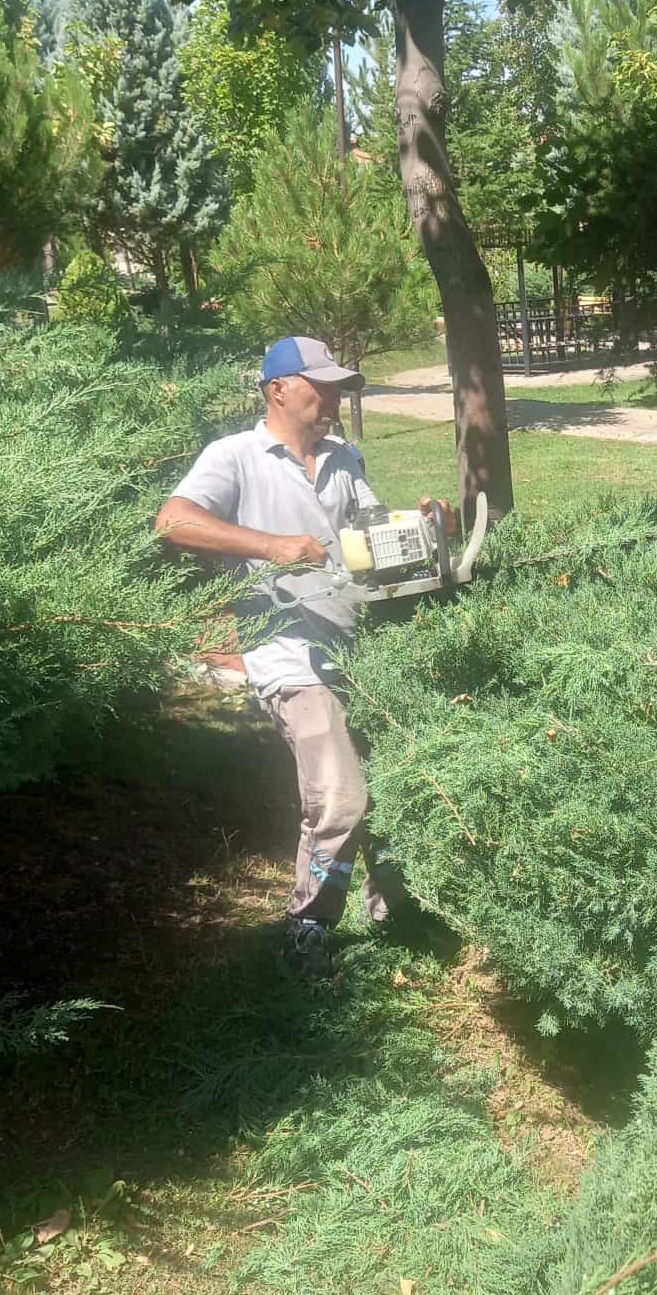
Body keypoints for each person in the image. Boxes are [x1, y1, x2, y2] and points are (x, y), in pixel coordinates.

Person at [155, 335, 457, 978]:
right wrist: (269, 546)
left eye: (341, 386)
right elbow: (173, 521)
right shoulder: (234, 456)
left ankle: (394, 908)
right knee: (341, 796)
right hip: (287, 652)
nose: (337, 398)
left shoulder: (345, 458)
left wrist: (429, 525)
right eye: (323, 386)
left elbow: (378, 541)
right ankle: (308, 923)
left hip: (361, 647)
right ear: (280, 390)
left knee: (391, 782)